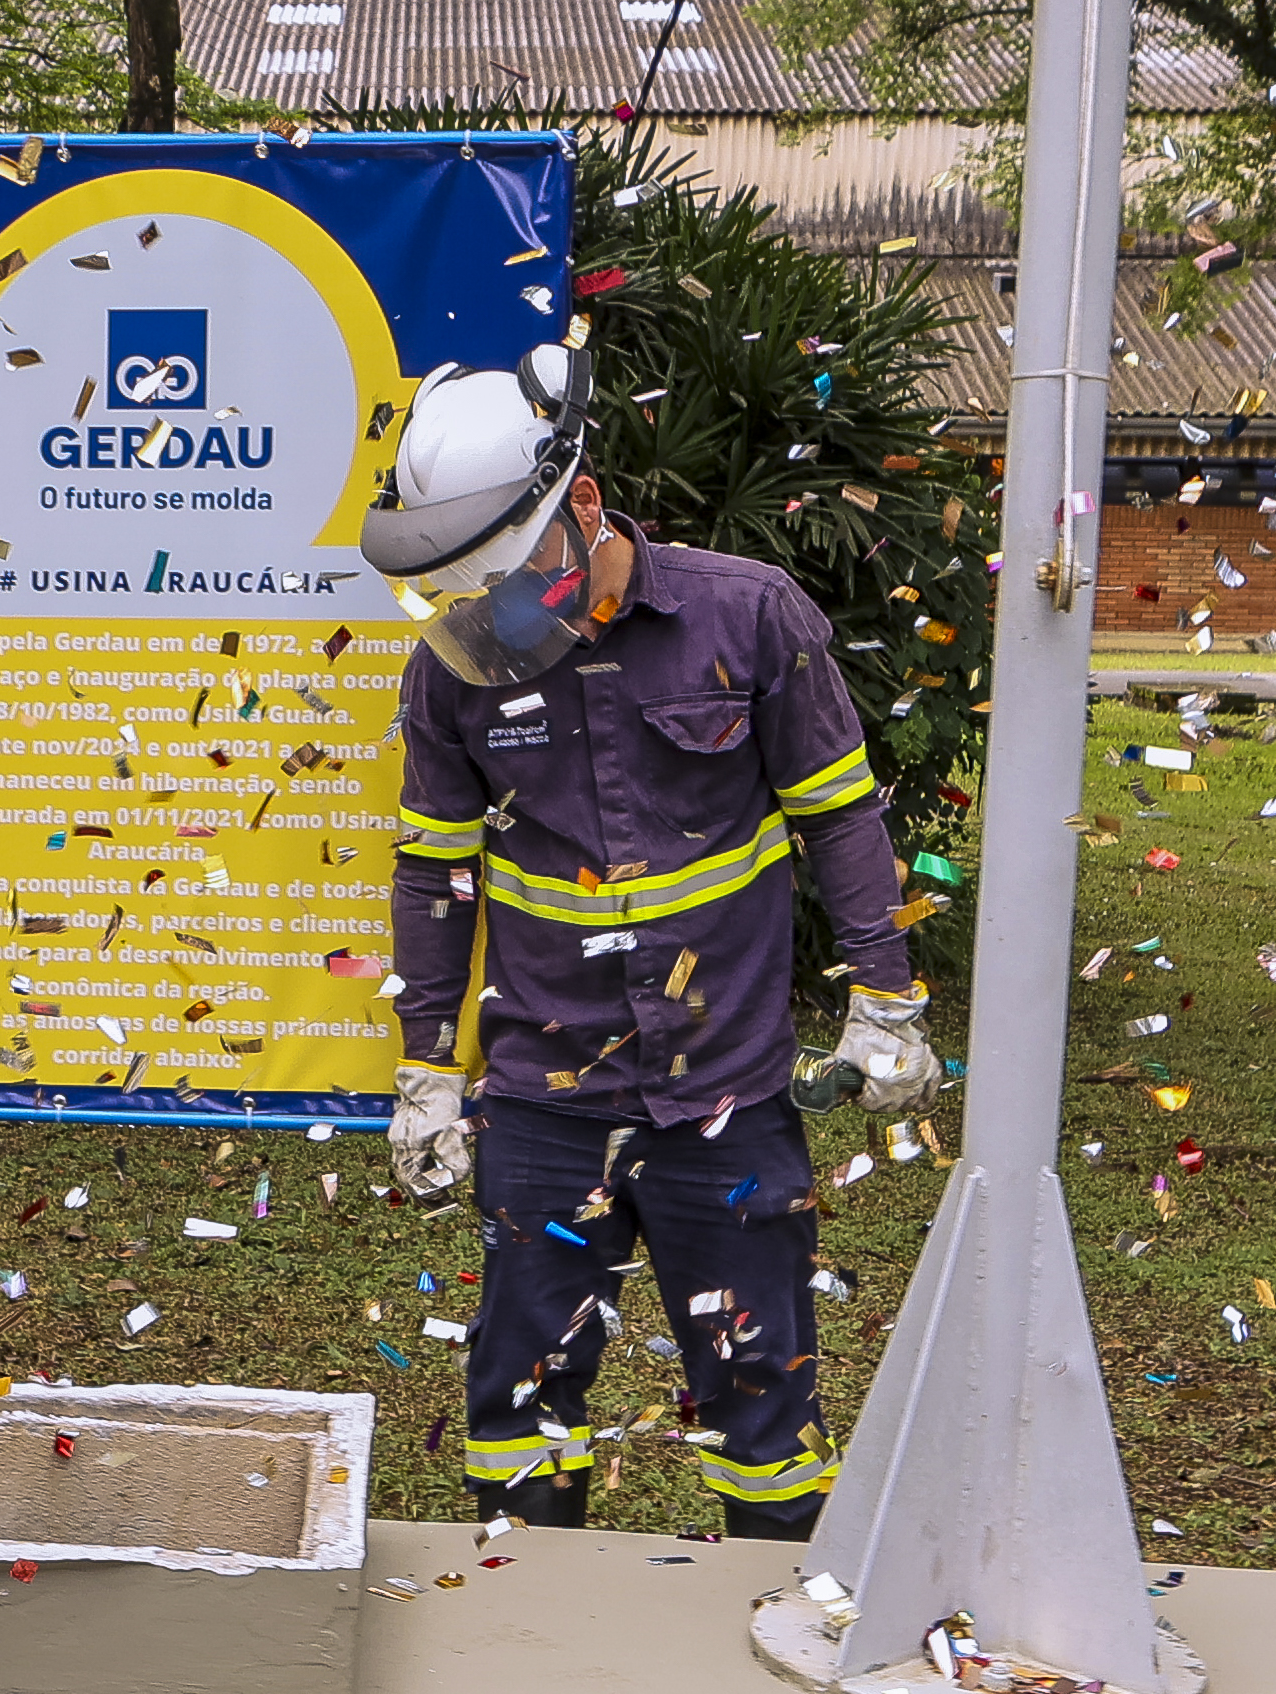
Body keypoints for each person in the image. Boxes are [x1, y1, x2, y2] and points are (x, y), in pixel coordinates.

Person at [362, 357, 938, 1532]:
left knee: (763, 1399)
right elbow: (438, 868)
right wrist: (427, 1070)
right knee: (520, 1402)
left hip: (722, 1088)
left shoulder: (747, 614)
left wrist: (885, 997)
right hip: (539, 1095)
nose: (494, 622)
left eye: (510, 585)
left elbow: (838, 812)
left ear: (583, 508)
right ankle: (522, 1633)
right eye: (467, 602)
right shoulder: (454, 672)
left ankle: (769, 1611)